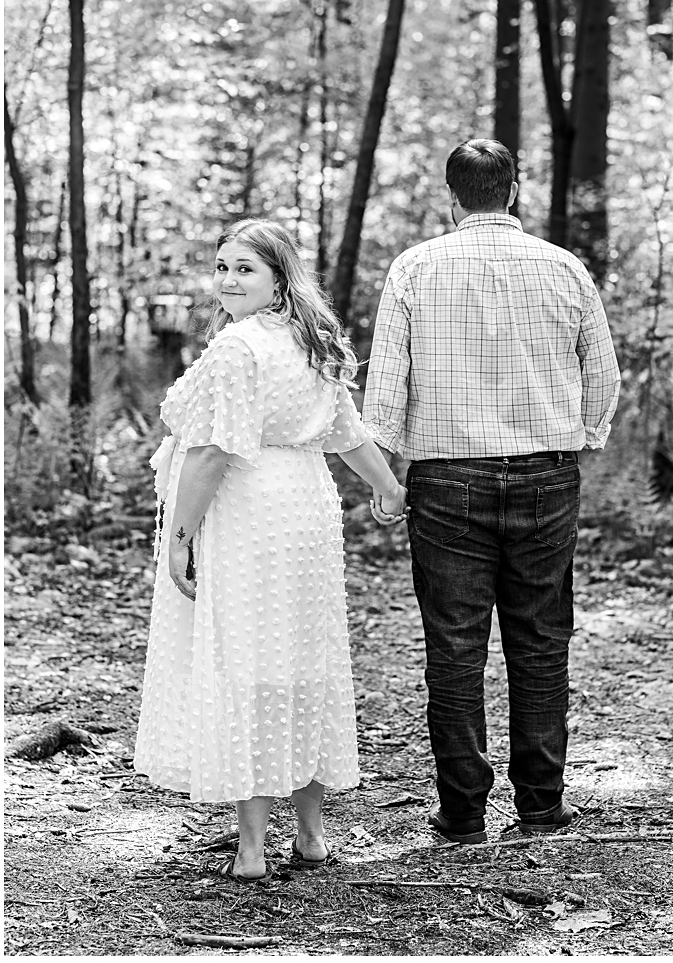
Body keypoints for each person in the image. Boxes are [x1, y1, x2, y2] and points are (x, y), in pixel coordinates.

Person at [359, 140, 621, 843]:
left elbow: (384, 387)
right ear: (514, 191)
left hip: (446, 477)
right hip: (546, 472)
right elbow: (603, 374)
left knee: (453, 646)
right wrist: (581, 438)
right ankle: (541, 803)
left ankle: (463, 810)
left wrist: (386, 470)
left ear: (451, 195)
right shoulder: (565, 267)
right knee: (541, 641)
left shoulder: (414, 267)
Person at [133, 222, 406, 879]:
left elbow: (212, 452)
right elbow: (346, 433)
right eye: (222, 265)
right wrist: (387, 485)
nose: (228, 278)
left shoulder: (240, 345)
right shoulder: (308, 337)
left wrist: (181, 536)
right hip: (305, 503)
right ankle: (308, 835)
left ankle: (253, 850)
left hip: (250, 507)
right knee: (302, 657)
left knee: (251, 659)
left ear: (279, 277)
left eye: (245, 269)